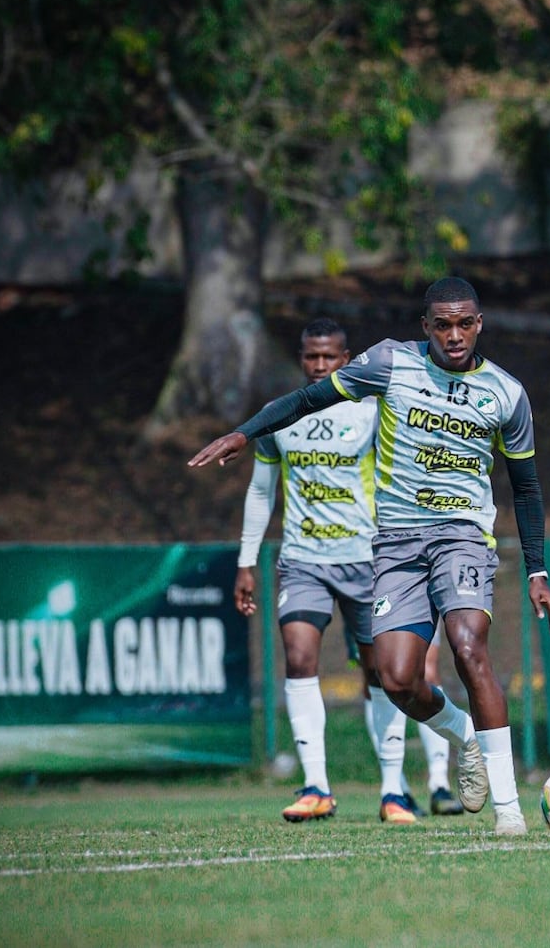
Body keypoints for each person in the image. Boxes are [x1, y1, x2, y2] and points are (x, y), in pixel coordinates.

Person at [193, 277, 550, 836]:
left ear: (480, 323)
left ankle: (508, 812)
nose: (454, 335)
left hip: (463, 537)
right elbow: (309, 398)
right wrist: (244, 435)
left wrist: (537, 569)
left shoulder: (506, 393)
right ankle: (465, 736)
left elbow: (527, 488)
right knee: (396, 680)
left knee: (468, 646)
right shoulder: (391, 363)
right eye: (443, 324)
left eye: (465, 323)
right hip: (395, 546)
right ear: (426, 327)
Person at [234, 317, 384, 822]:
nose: (320, 365)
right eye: (311, 357)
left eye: (330, 357)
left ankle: (394, 788)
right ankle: (315, 784)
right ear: (302, 358)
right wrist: (246, 561)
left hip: (366, 560)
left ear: (347, 359)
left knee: (381, 672)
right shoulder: (282, 418)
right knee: (298, 659)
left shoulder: (371, 414)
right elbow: (261, 490)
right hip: (302, 560)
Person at [346, 626, 465, 818]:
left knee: (427, 670)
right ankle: (397, 789)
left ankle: (440, 784)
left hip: (413, 597)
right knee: (376, 677)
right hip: (367, 599)